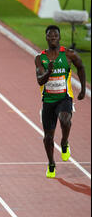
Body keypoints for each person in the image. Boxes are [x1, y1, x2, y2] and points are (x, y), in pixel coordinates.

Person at [35, 25, 86, 178]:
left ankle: (64, 143)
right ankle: (51, 164)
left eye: (55, 36)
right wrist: (49, 71)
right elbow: (39, 81)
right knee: (48, 137)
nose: (52, 38)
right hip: (49, 100)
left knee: (65, 120)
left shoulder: (69, 55)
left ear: (59, 37)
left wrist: (83, 89)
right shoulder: (40, 58)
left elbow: (81, 68)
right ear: (46, 38)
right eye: (50, 36)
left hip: (64, 97)